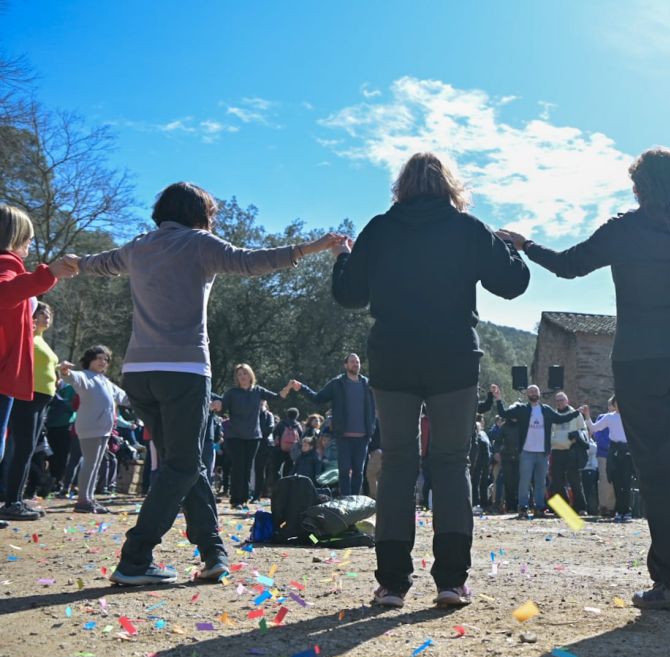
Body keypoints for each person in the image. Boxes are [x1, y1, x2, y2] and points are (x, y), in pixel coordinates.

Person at [504, 146, 670, 611]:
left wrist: (525, 245)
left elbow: (568, 265)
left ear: (641, 187)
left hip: (642, 361)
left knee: (659, 471)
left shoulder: (624, 229)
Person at [77, 180, 345, 586]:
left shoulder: (137, 246)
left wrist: (72, 264)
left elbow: (101, 262)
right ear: (196, 213)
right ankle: (135, 557)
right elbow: (252, 261)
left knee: (185, 464)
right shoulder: (200, 243)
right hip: (182, 372)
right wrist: (310, 248)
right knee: (184, 464)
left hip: (137, 373)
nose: (214, 220)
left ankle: (212, 553)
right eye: (211, 214)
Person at [330, 152, 529, 609]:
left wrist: (344, 257)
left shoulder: (379, 227)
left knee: (398, 464)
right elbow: (513, 283)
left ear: (402, 185)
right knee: (451, 462)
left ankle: (393, 584)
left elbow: (349, 294)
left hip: (393, 356)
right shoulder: (468, 228)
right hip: (453, 356)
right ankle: (451, 581)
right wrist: (508, 246)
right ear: (450, 185)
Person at [0, 204, 76, 528]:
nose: (30, 246)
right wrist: (49, 273)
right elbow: (5, 293)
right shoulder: (5, 264)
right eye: (28, 240)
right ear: (13, 236)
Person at [0, 302, 58, 520]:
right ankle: (11, 501)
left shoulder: (40, 340)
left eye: (49, 313)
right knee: (21, 449)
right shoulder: (27, 336)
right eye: (43, 313)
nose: (47, 316)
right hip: (26, 398)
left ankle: (16, 500)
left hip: (40, 402)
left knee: (27, 450)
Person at [290, 353, 378, 496]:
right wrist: (302, 388)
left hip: (363, 436)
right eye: (352, 361)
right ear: (345, 365)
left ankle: (355, 502)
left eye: (357, 361)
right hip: (343, 435)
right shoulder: (337, 383)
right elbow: (318, 398)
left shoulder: (367, 384)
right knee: (343, 471)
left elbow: (375, 406)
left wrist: (372, 428)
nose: (355, 364)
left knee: (358, 472)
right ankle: (345, 500)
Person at [58, 346, 129, 514]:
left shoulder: (106, 381)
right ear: (90, 359)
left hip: (104, 430)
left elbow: (125, 398)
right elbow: (70, 378)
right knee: (90, 464)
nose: (103, 362)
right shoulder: (85, 376)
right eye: (99, 358)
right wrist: (65, 370)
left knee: (95, 465)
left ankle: (89, 498)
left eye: (105, 359)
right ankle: (83, 500)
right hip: (89, 427)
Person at [495, 385, 582, 518]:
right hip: (526, 452)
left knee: (541, 482)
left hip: (542, 453)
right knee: (524, 481)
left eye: (535, 391)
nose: (533, 394)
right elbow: (503, 413)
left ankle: (540, 507)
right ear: (527, 395)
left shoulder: (546, 410)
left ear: (539, 393)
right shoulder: (522, 409)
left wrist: (577, 412)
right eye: (531, 392)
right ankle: (523, 507)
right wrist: (498, 399)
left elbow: (561, 419)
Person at [214, 364, 289, 510]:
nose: (242, 377)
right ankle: (235, 500)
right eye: (239, 374)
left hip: (253, 436)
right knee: (238, 467)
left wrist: (287, 388)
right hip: (235, 436)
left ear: (250, 375)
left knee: (247, 468)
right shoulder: (232, 393)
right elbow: (221, 408)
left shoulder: (258, 391)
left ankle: (244, 497)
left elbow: (277, 397)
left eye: (245, 374)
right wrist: (215, 404)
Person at [584, 397, 632, 522]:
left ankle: (625, 510)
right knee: (615, 481)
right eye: (616, 403)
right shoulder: (610, 417)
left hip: (627, 451)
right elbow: (594, 428)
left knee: (626, 482)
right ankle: (617, 510)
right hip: (614, 450)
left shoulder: (631, 416)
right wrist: (587, 416)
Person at [547, 391, 590, 514]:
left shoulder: (575, 415)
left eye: (562, 400)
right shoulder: (553, 415)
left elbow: (584, 430)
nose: (559, 402)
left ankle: (581, 507)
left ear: (567, 401)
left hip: (571, 451)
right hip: (556, 451)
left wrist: (578, 437)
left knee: (575, 481)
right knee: (557, 482)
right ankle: (562, 509)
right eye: (557, 400)